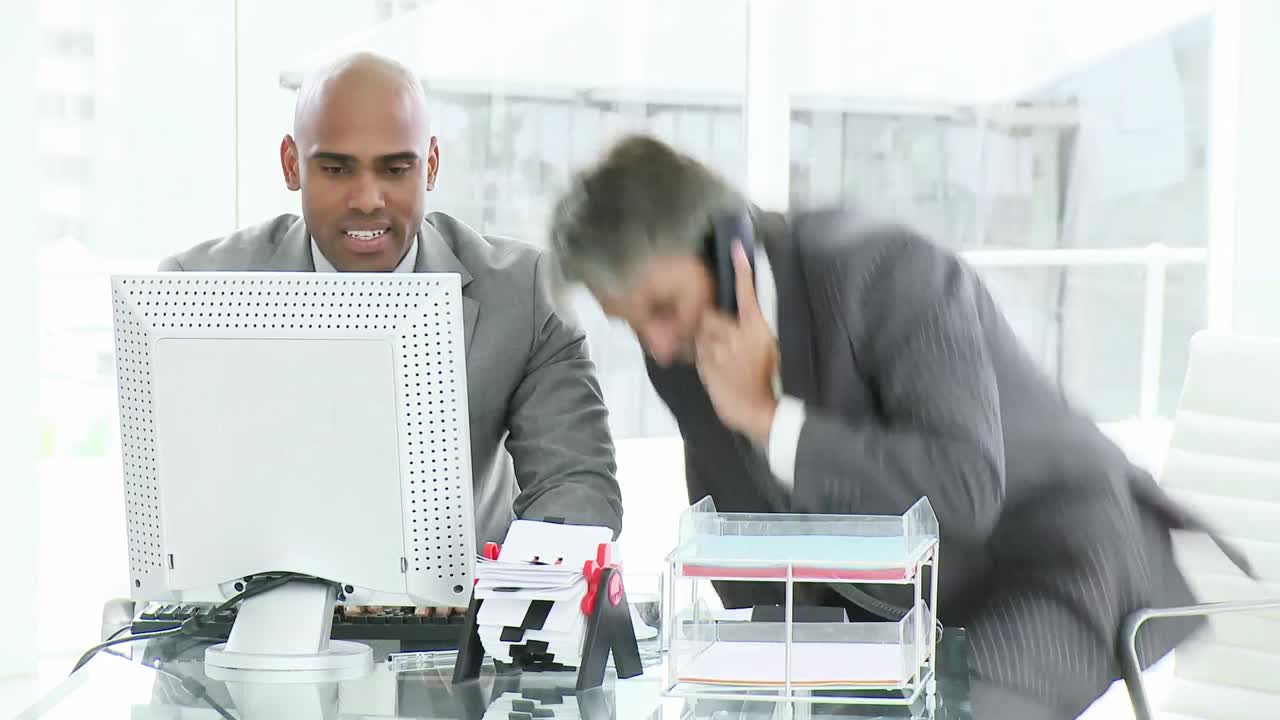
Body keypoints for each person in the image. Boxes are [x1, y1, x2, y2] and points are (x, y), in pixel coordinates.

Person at [548, 135, 1243, 719]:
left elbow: (966, 490)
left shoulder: (884, 270)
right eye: (632, 324)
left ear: (724, 242)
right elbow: (749, 546)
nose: (659, 345)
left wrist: (770, 419)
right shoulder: (679, 358)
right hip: (901, 618)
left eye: (663, 307)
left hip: (1053, 555)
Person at [161, 53, 623, 613]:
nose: (367, 199)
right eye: (336, 169)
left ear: (430, 165)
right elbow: (180, 503)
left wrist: (506, 589)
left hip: (451, 646)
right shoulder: (199, 290)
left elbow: (575, 487)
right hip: (255, 635)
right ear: (291, 165)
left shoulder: (524, 295)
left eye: (395, 169)